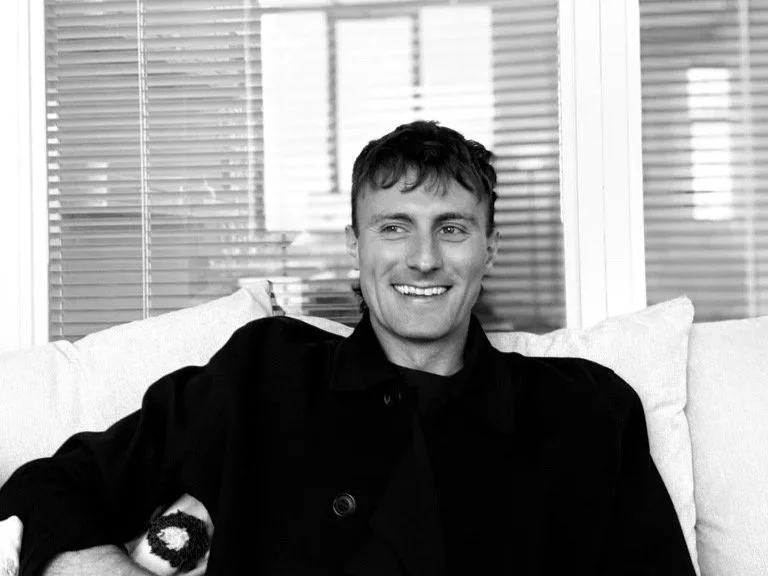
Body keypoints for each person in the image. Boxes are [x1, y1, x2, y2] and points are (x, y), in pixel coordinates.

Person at [0, 120, 696, 576]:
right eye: (394, 227)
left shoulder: (585, 406)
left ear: (491, 251)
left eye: (452, 229)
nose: (423, 258)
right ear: (355, 249)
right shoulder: (263, 371)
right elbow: (51, 487)